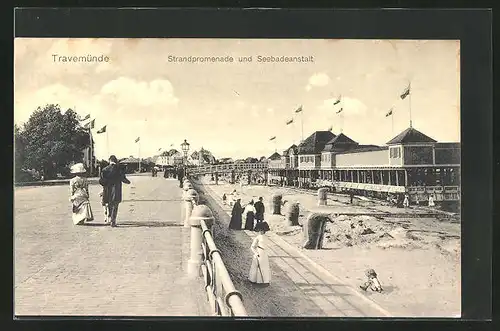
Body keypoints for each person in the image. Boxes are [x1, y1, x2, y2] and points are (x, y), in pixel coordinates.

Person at [100, 155, 131, 227]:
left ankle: (110, 217)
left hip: (107, 190)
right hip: (116, 189)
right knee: (115, 205)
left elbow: (101, 181)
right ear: (116, 161)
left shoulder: (104, 169)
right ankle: (113, 221)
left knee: (109, 204)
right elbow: (123, 179)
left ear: (109, 161)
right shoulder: (119, 169)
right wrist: (128, 182)